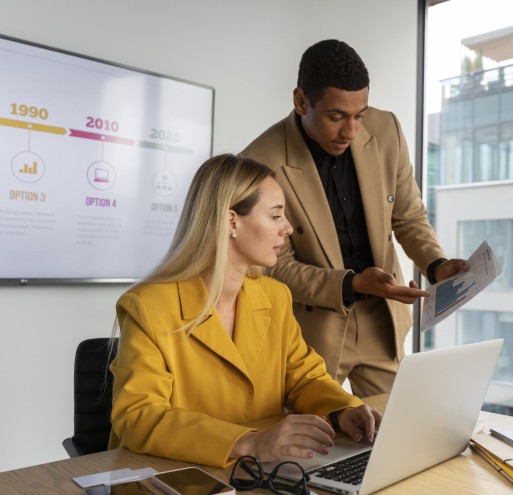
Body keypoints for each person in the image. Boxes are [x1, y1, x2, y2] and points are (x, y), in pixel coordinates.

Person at [109, 154, 380, 468]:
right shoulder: (148, 305)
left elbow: (303, 378)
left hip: (257, 472)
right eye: (275, 216)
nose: (288, 228)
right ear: (231, 221)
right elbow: (138, 414)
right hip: (176, 475)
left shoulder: (274, 296)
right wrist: (248, 442)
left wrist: (343, 409)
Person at [241, 39, 467, 397]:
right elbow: (274, 266)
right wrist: (352, 284)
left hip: (382, 319)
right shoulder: (259, 162)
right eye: (336, 117)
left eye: (359, 115)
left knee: (396, 427)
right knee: (311, 431)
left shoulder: (387, 128)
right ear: (301, 101)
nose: (351, 131)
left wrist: (436, 265)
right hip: (310, 330)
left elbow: (408, 216)